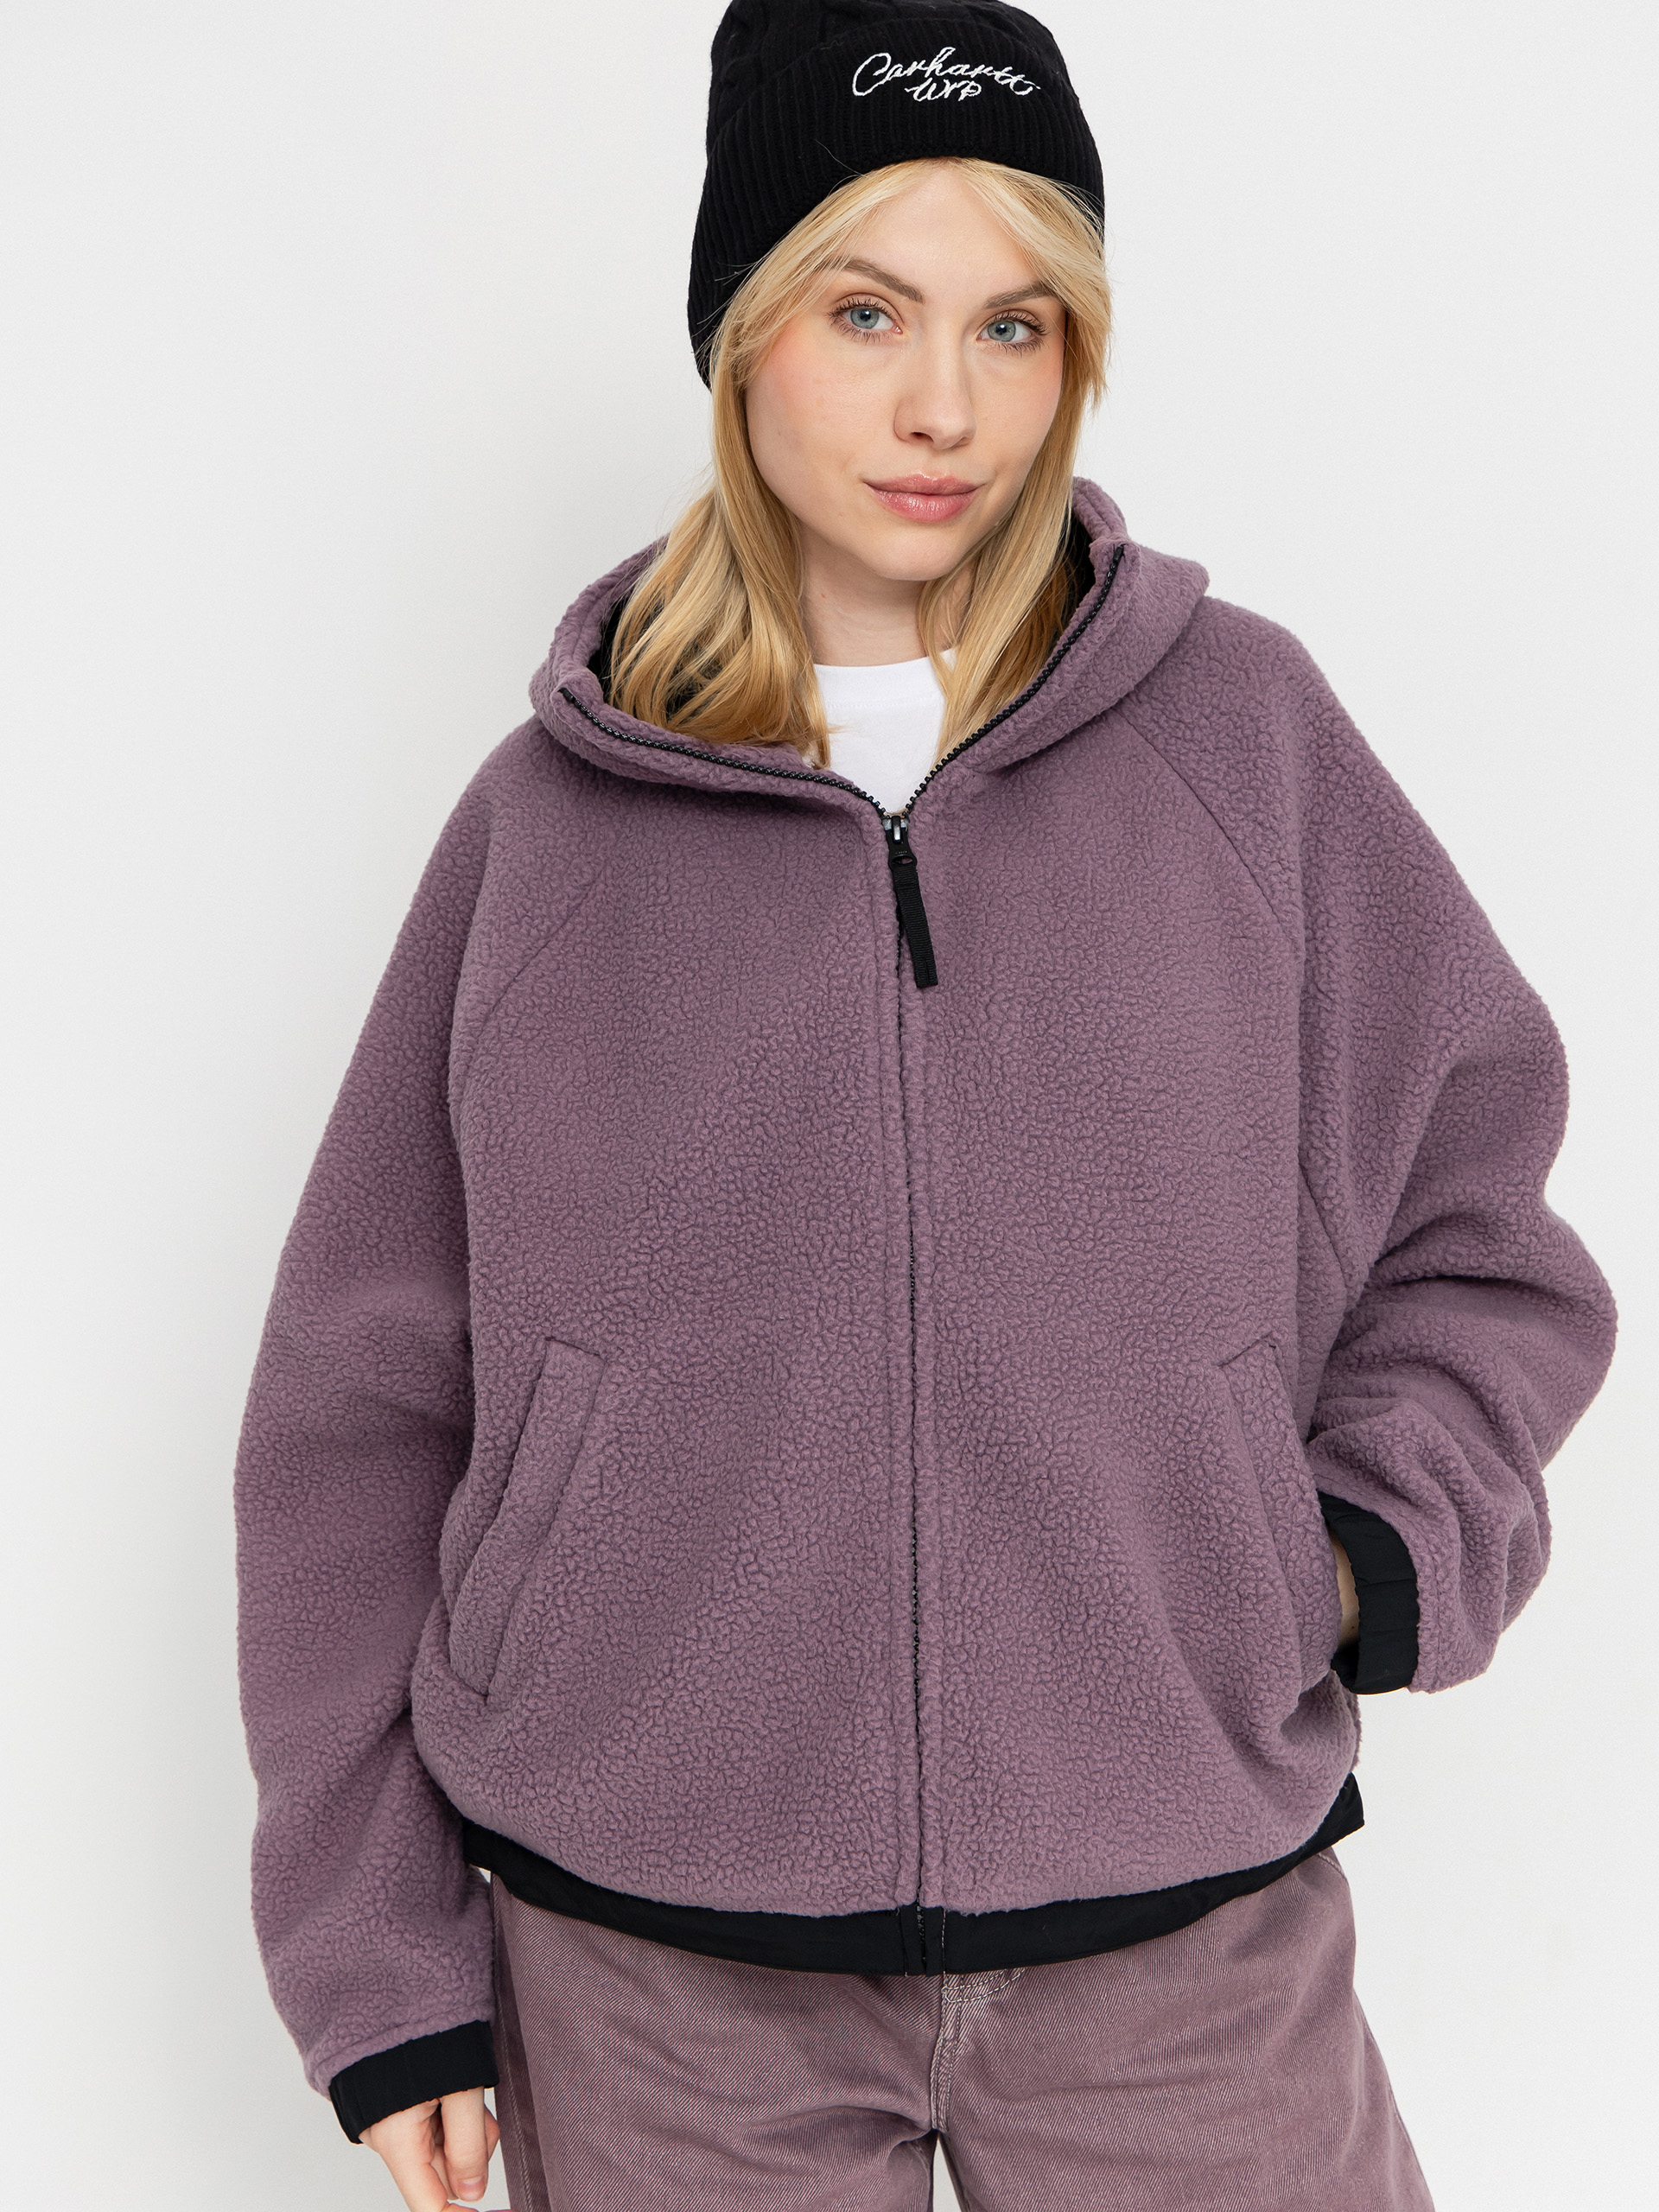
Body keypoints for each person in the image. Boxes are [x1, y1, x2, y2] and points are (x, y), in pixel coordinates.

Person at [232, 3, 1618, 2206]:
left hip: (1181, 1915)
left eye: (1015, 323)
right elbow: (352, 1411)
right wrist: (374, 1951)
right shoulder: (548, 835)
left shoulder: (1240, 745)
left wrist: (1360, 1550)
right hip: (656, 1959)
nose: (945, 405)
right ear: (742, 333)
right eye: (865, 310)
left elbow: (1487, 1225)